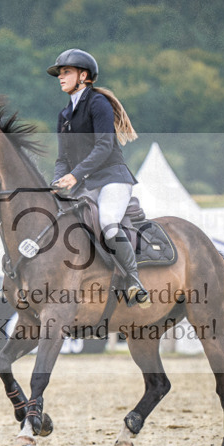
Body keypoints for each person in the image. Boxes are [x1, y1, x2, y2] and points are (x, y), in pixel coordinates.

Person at [47, 48, 149, 306]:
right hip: (87, 182)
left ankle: (134, 280)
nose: (61, 77)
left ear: (84, 76)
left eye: (66, 72)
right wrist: (59, 181)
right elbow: (62, 159)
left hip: (113, 178)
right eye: (59, 73)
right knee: (65, 221)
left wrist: (75, 175)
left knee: (108, 222)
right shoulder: (64, 116)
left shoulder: (97, 104)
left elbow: (104, 146)